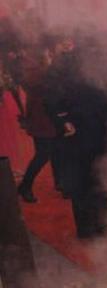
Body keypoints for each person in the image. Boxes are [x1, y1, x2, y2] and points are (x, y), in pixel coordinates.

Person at [44, 37, 107, 240]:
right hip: (79, 134)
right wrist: (63, 121)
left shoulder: (95, 65)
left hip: (93, 133)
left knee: (97, 183)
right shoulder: (63, 67)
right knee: (86, 184)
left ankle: (100, 229)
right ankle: (90, 230)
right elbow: (51, 100)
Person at [17, 34, 62, 203]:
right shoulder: (34, 67)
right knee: (43, 154)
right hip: (41, 117)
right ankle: (25, 185)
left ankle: (60, 183)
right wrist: (50, 68)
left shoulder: (38, 64)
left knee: (53, 150)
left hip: (45, 116)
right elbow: (36, 85)